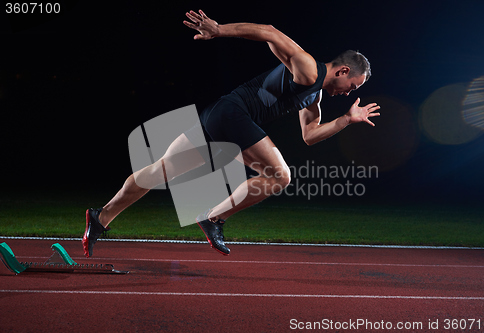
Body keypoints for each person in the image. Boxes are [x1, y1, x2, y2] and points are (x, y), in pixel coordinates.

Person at [82, 9, 381, 257]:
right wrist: (219, 30)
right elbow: (270, 31)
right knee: (281, 176)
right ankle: (213, 217)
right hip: (233, 114)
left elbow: (310, 135)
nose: (348, 93)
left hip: (219, 115)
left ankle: (101, 216)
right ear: (342, 71)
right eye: (352, 87)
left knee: (161, 170)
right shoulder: (308, 68)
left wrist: (345, 120)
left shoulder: (313, 97)